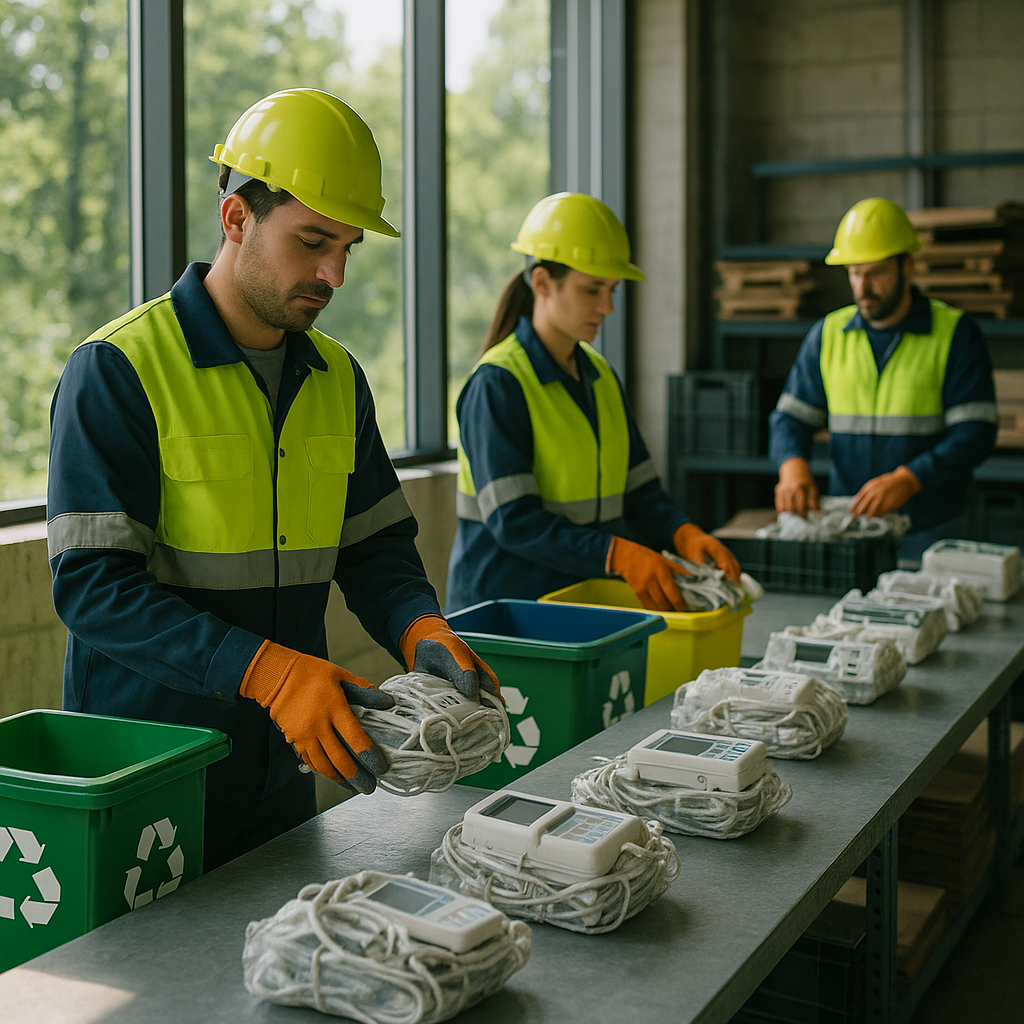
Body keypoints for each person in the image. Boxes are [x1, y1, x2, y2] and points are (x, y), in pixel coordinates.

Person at [47, 88, 498, 871]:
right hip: (155, 773)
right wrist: (265, 670)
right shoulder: (119, 370)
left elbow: (375, 549)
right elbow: (92, 588)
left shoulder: (336, 379)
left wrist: (419, 625)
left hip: (289, 763)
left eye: (349, 247)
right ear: (236, 220)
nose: (334, 273)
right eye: (313, 240)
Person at [446, 191, 740, 615]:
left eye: (612, 290)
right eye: (592, 289)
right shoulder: (499, 384)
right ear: (543, 283)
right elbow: (515, 521)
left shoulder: (601, 377)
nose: (607, 307)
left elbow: (639, 494)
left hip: (583, 606)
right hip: (508, 616)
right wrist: (618, 555)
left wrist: (682, 532)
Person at [768, 197, 998, 563]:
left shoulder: (955, 334)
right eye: (855, 273)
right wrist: (791, 466)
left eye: (875, 272)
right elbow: (790, 418)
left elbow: (976, 432)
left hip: (930, 526)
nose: (863, 287)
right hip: (852, 525)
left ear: (908, 267)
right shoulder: (828, 334)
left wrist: (910, 478)